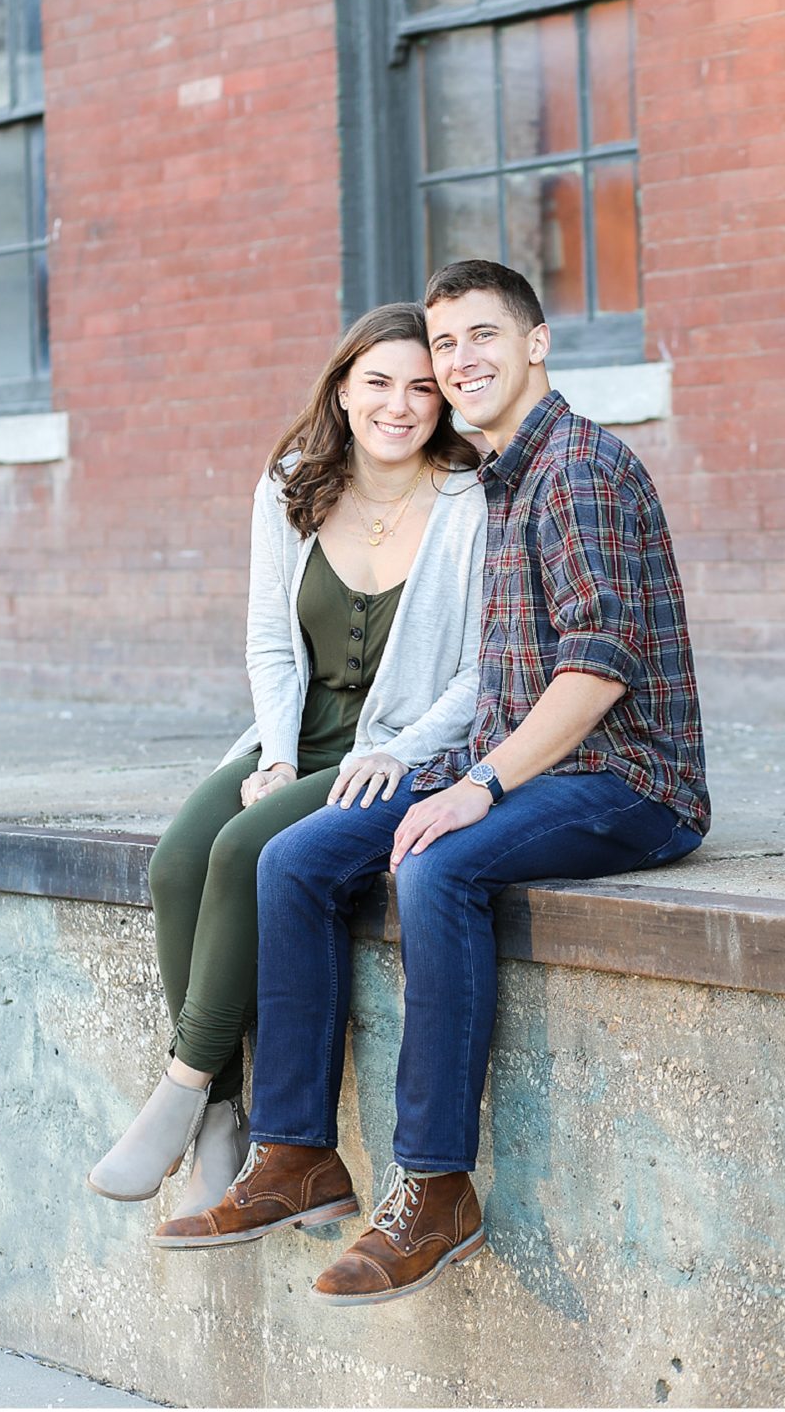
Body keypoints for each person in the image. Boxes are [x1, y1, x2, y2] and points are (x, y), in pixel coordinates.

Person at [164, 259, 710, 1303]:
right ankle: (294, 1154)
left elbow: (598, 668)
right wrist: (429, 765)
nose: (458, 361)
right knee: (295, 856)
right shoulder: (495, 475)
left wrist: (478, 787)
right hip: (510, 765)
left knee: (437, 867)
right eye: (444, 342)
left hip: (625, 781)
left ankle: (435, 1184)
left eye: (481, 338)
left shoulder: (578, 471)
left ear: (537, 343)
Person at [86, 301, 486, 1230]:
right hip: (294, 734)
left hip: (388, 752)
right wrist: (270, 753)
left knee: (240, 855)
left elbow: (480, 669)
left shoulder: (470, 501)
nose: (399, 405)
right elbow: (271, 640)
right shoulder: (290, 483)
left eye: (422, 388)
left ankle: (183, 1090)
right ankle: (224, 1120)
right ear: (342, 389)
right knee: (177, 861)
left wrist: (401, 749)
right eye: (377, 382)